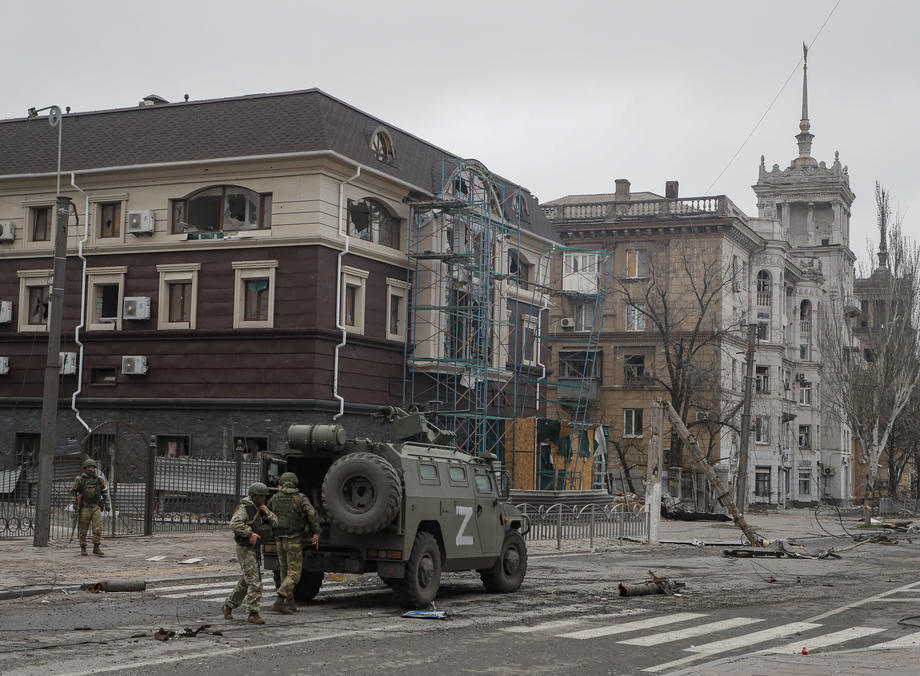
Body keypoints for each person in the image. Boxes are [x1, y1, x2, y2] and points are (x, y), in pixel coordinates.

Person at [222, 482, 279, 624]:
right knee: (254, 582)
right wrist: (250, 533)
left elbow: (276, 523)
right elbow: (235, 524)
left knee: (246, 581)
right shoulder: (245, 508)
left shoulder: (261, 508)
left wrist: (268, 513)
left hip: (255, 549)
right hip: (245, 548)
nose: (264, 499)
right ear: (254, 496)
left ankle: (228, 605)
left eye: (265, 497)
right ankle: (253, 613)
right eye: (262, 496)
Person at [268, 471, 321, 614]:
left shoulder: (274, 498)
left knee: (284, 572)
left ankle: (291, 604)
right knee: (294, 574)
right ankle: (279, 601)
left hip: (279, 539)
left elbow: (267, 514)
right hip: (293, 539)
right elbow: (312, 514)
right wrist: (316, 532)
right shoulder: (300, 498)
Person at [70, 458, 110, 556]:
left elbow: (105, 492)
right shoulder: (79, 480)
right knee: (83, 529)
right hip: (85, 507)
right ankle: (83, 547)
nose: (90, 469)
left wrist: (107, 504)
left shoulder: (99, 479)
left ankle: (96, 547)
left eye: (92, 467)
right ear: (85, 468)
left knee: (98, 528)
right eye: (88, 467)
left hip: (96, 506)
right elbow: (73, 491)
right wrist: (74, 503)